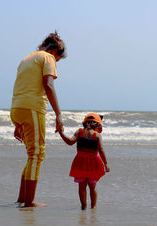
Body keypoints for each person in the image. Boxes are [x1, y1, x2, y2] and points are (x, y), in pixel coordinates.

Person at [11, 31, 66, 207]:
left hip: (17, 108)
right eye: (58, 59)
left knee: (31, 156)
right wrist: (58, 114)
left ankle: (22, 198)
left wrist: (18, 122)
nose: (56, 63)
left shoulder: (27, 59)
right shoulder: (47, 58)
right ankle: (29, 201)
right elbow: (48, 85)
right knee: (37, 154)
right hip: (32, 109)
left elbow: (22, 85)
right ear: (55, 51)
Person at [59, 113, 110, 210]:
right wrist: (106, 164)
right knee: (92, 187)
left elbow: (70, 142)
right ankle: (93, 207)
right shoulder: (97, 136)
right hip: (94, 164)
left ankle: (83, 206)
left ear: (84, 123)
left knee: (81, 187)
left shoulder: (79, 132)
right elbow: (101, 150)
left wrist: (61, 133)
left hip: (80, 163)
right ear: (98, 125)